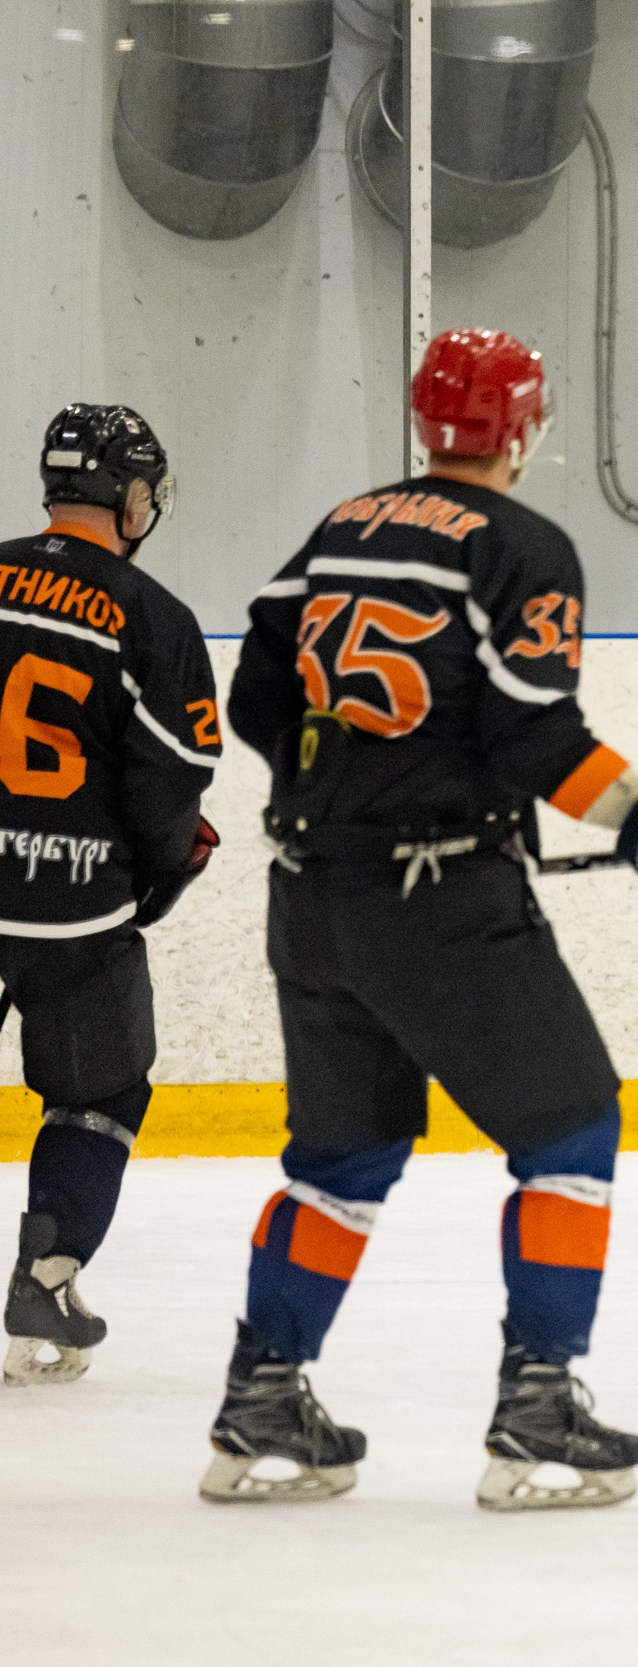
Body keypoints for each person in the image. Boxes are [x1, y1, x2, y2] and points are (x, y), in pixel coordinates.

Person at [200, 328, 638, 1508]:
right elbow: (536, 737)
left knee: (343, 1156)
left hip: (311, 893)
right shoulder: (524, 544)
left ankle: (263, 1395)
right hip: (442, 904)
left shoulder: (344, 525)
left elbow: (257, 694)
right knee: (572, 1128)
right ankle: (539, 1410)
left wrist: (353, 794)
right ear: (523, 427)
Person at [1, 405, 220, 1387]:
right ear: (133, 497)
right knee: (100, 1092)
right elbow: (167, 791)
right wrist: (162, 879)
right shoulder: (154, 618)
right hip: (73, 906)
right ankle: (47, 1271)